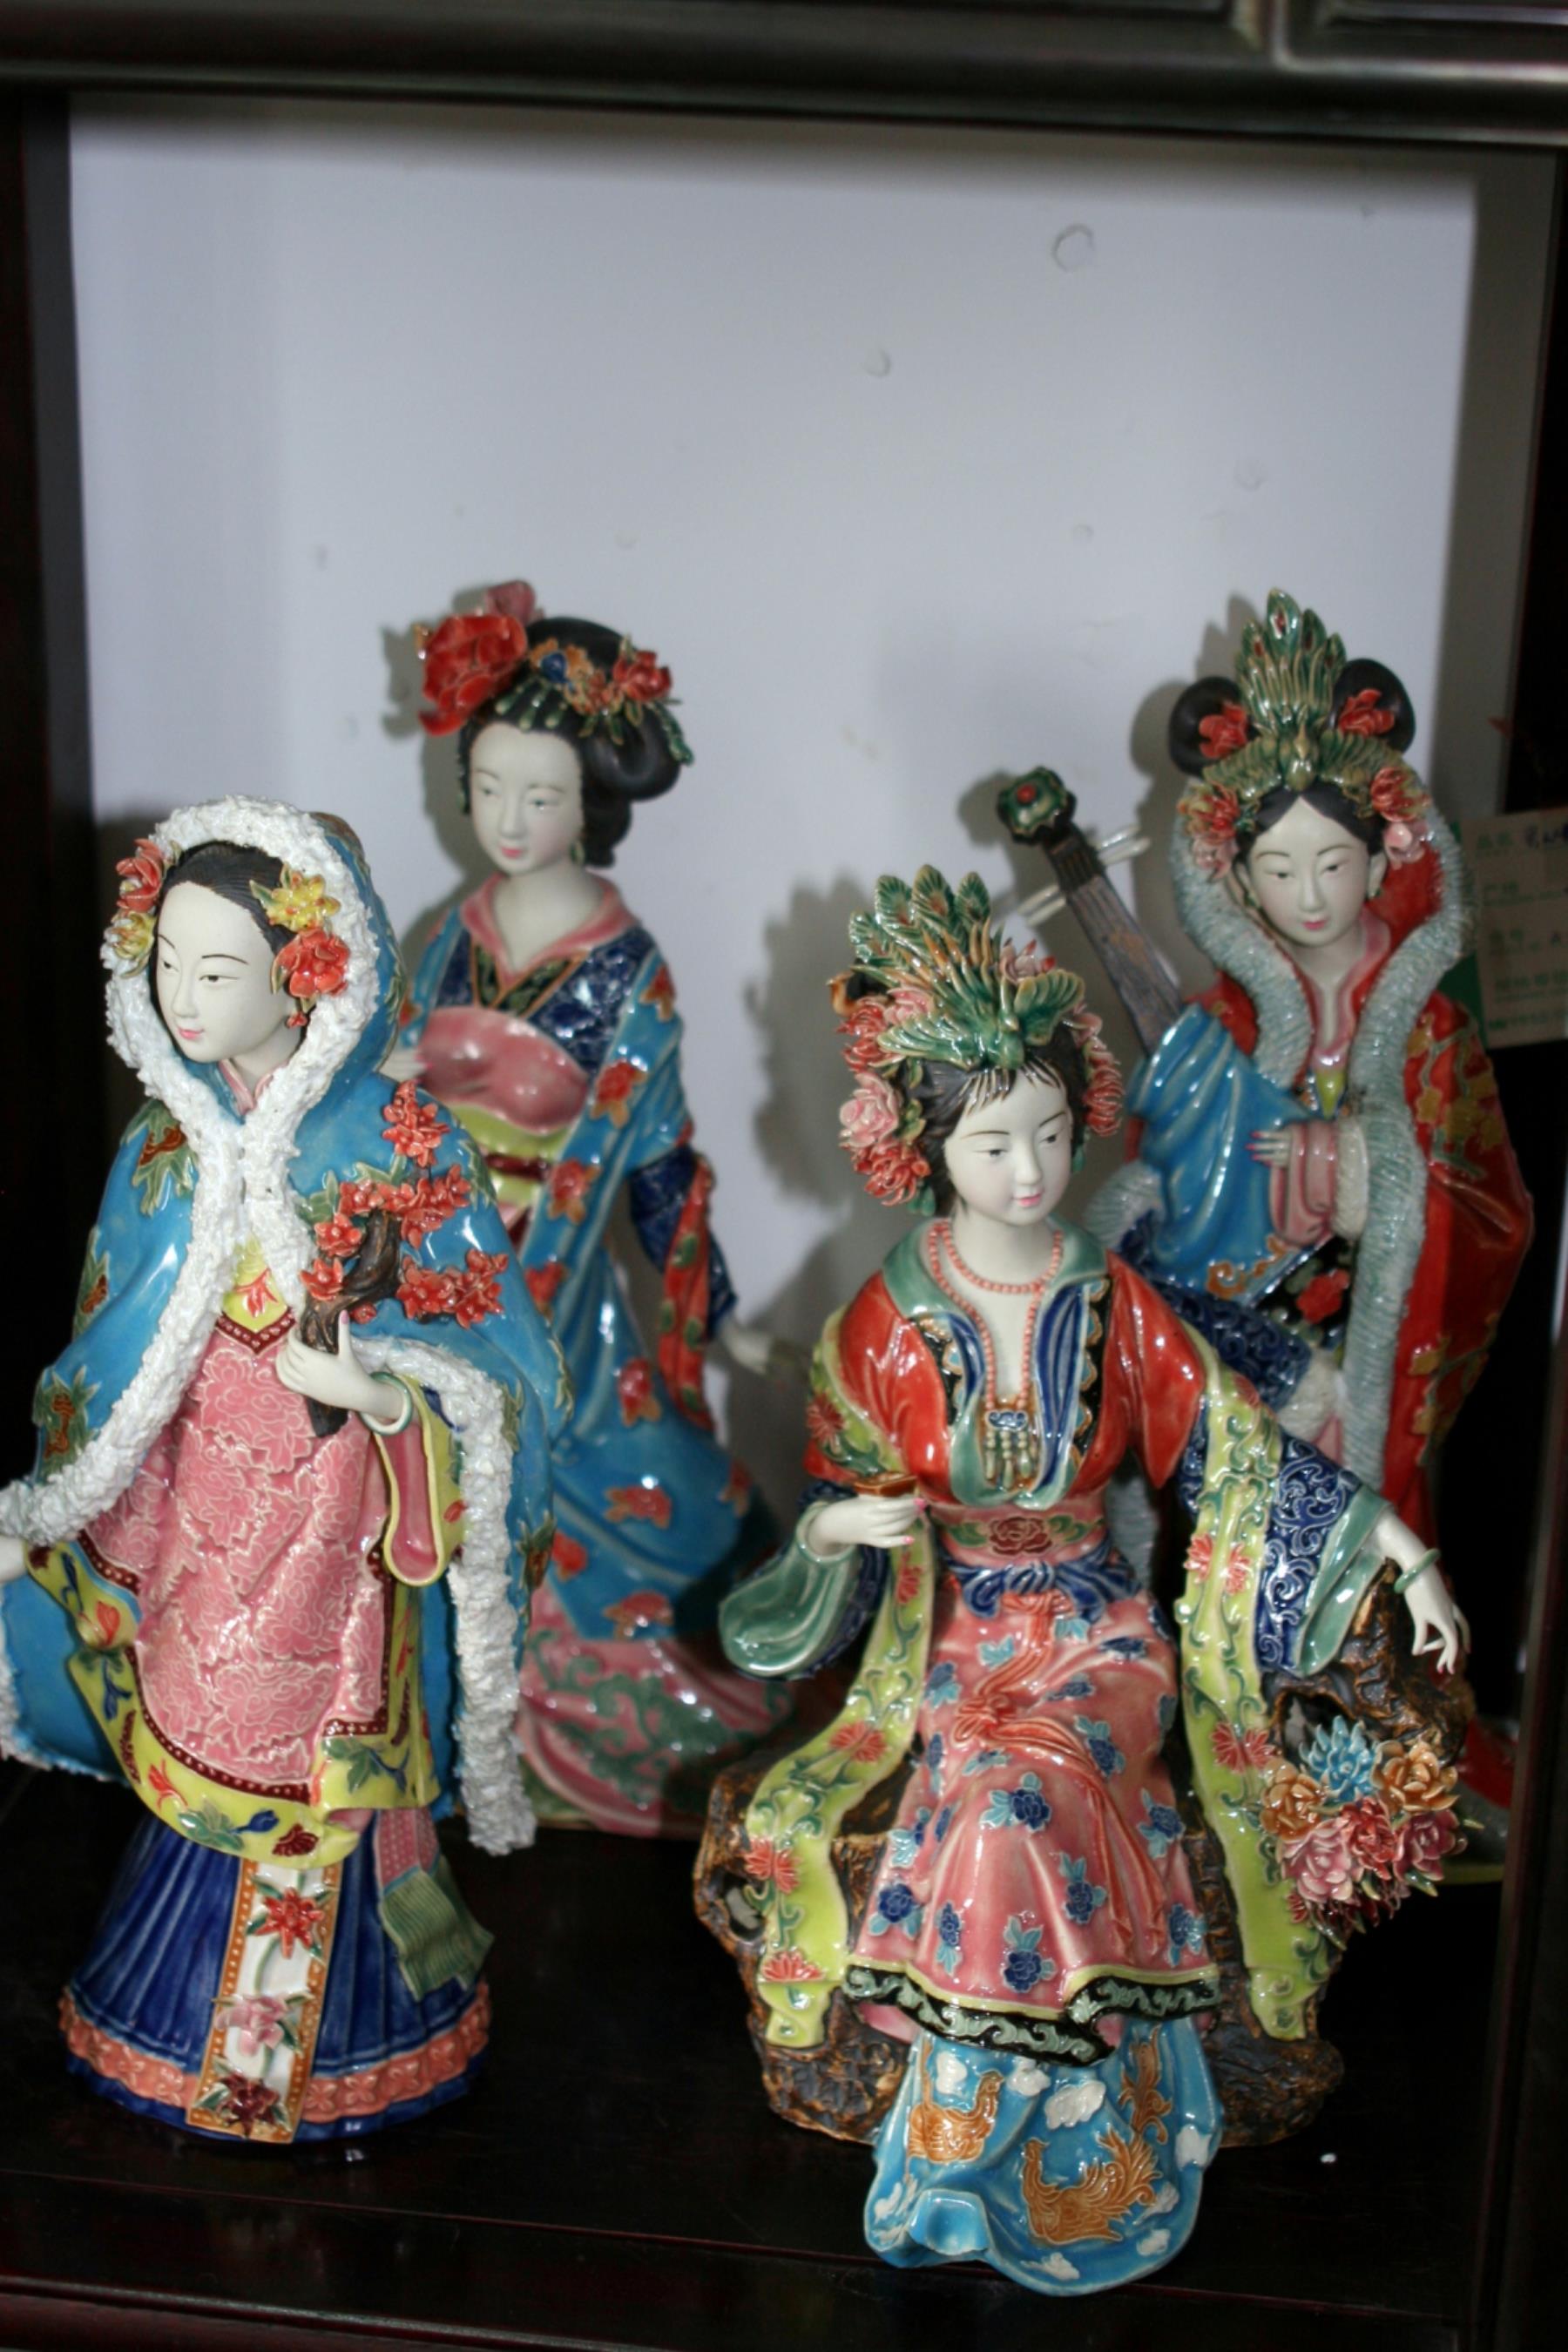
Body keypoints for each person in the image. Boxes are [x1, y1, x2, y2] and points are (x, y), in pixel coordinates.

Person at [719, 865, 1465, 2295]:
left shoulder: (1110, 1297)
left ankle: (1030, 2121)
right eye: (995, 1143)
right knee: (990, 1779)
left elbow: (1231, 1450)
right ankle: (1004, 2118)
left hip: (1095, 1622)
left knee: (1036, 1772)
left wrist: (1397, 1544)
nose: (1031, 1172)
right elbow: (832, 1496)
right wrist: (834, 1535)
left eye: (1054, 1135)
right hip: (952, 1624)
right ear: (926, 1148)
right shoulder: (884, 1321)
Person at [0, 801, 564, 2142]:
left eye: (220, 970)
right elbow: (114, 1355)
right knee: (198, 1731)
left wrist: (384, 1397)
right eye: (169, 965)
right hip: (202, 1511)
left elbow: (503, 1364)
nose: (186, 999)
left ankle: (333, 2041)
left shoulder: (404, 1142)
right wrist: (67, 1504)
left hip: (340, 1527)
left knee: (315, 1766)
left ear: (311, 974)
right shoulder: (161, 1143)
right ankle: (178, 2016)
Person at [395, 583, 786, 1835]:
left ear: (593, 807)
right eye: (490, 788)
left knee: (650, 1489)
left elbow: (659, 1163)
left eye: (542, 795)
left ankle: (571, 1730)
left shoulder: (628, 971)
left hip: (552, 1289)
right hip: (421, 1271)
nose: (510, 820)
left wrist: (716, 1310)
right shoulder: (445, 939)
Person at [1091, 590, 1531, 1537]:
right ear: (1238, 880)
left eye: (1333, 864)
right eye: (1281, 871)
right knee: (1230, 1544)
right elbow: (1158, 1195)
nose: (1311, 896)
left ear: (1382, 861)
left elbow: (1495, 1215)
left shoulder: (1432, 1031)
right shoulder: (1214, 1029)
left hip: (1368, 1349)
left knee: (1364, 1545)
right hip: (1244, 1361)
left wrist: (1356, 1170)